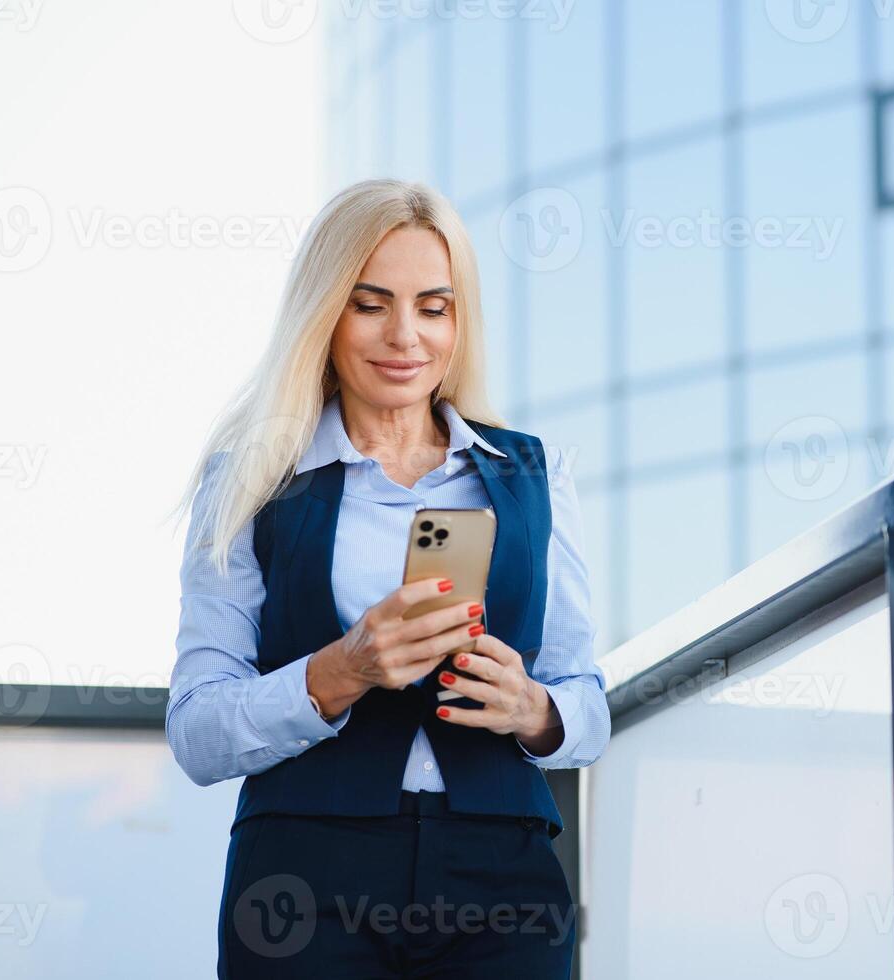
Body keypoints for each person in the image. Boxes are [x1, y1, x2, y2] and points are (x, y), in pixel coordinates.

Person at [166, 178, 610, 978]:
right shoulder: (253, 482)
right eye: (370, 304)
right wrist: (339, 673)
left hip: (502, 879)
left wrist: (533, 709)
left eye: (433, 307)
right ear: (324, 315)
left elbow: (587, 702)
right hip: (302, 879)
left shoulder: (535, 478)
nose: (405, 335)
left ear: (458, 321)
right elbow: (196, 732)